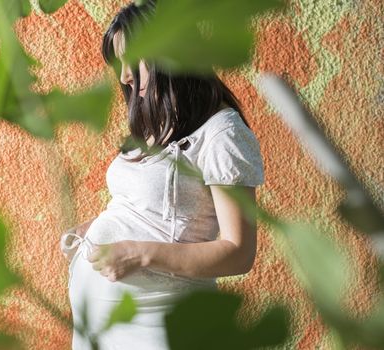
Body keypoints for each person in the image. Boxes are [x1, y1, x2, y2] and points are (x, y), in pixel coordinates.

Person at [60, 1, 265, 349]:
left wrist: (138, 253)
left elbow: (239, 252)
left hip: (159, 328)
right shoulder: (158, 123)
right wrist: (92, 228)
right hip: (103, 329)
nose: (125, 76)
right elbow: (144, 207)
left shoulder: (222, 133)